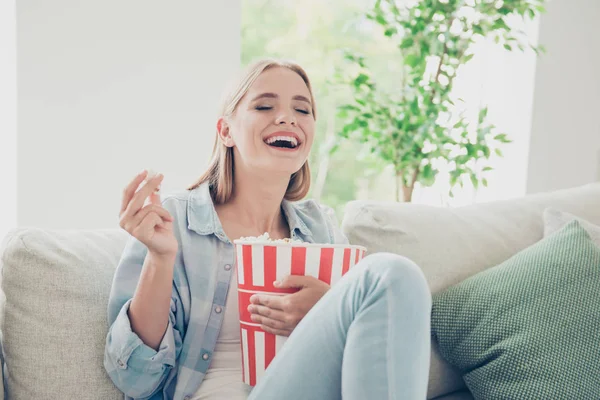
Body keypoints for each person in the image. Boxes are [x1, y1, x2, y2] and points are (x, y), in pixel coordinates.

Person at [104, 58, 432, 400]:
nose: (288, 117)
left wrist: (326, 309)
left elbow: (369, 357)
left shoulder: (321, 228)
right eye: (264, 105)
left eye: (302, 110)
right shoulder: (172, 221)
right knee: (390, 272)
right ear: (226, 132)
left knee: (396, 275)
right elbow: (135, 381)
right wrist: (160, 258)